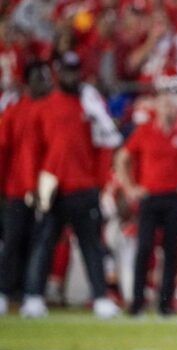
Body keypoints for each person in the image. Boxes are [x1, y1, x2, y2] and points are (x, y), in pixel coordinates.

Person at [19, 52, 120, 319]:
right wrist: (32, 185)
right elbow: (33, 150)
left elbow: (102, 146)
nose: (71, 76)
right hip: (52, 187)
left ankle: (100, 298)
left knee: (91, 245)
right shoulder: (44, 107)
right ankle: (33, 296)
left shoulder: (88, 105)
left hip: (84, 187)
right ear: (57, 73)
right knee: (44, 243)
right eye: (66, 71)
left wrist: (98, 183)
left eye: (74, 71)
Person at [115, 92, 177, 316]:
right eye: (164, 105)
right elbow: (122, 158)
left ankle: (165, 304)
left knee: (171, 251)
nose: (168, 109)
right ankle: (137, 303)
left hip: (175, 198)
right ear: (156, 108)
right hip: (149, 197)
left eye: (171, 106)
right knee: (144, 247)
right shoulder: (145, 132)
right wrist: (130, 187)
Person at [0, 61, 52, 315]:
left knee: (39, 243)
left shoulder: (52, 109)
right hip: (16, 188)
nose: (44, 83)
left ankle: (33, 294)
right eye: (39, 78)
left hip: (46, 188)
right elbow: (3, 150)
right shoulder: (14, 112)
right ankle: (5, 292)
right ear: (27, 82)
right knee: (12, 242)